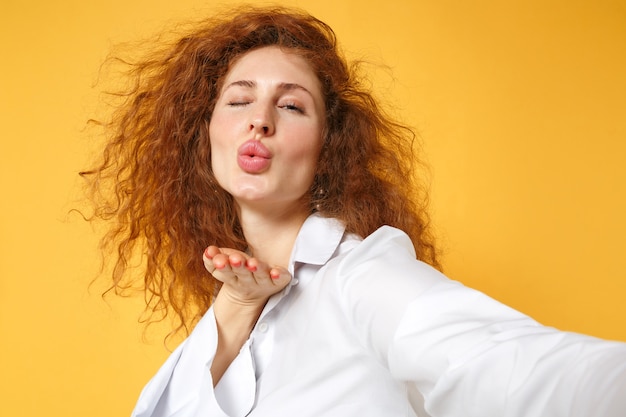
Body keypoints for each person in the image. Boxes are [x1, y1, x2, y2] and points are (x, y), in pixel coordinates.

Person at [82, 6, 626, 417]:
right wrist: (233, 308)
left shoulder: (362, 275)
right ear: (204, 134)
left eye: (291, 105)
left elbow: (507, 366)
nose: (260, 120)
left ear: (328, 147)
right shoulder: (234, 306)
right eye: (238, 99)